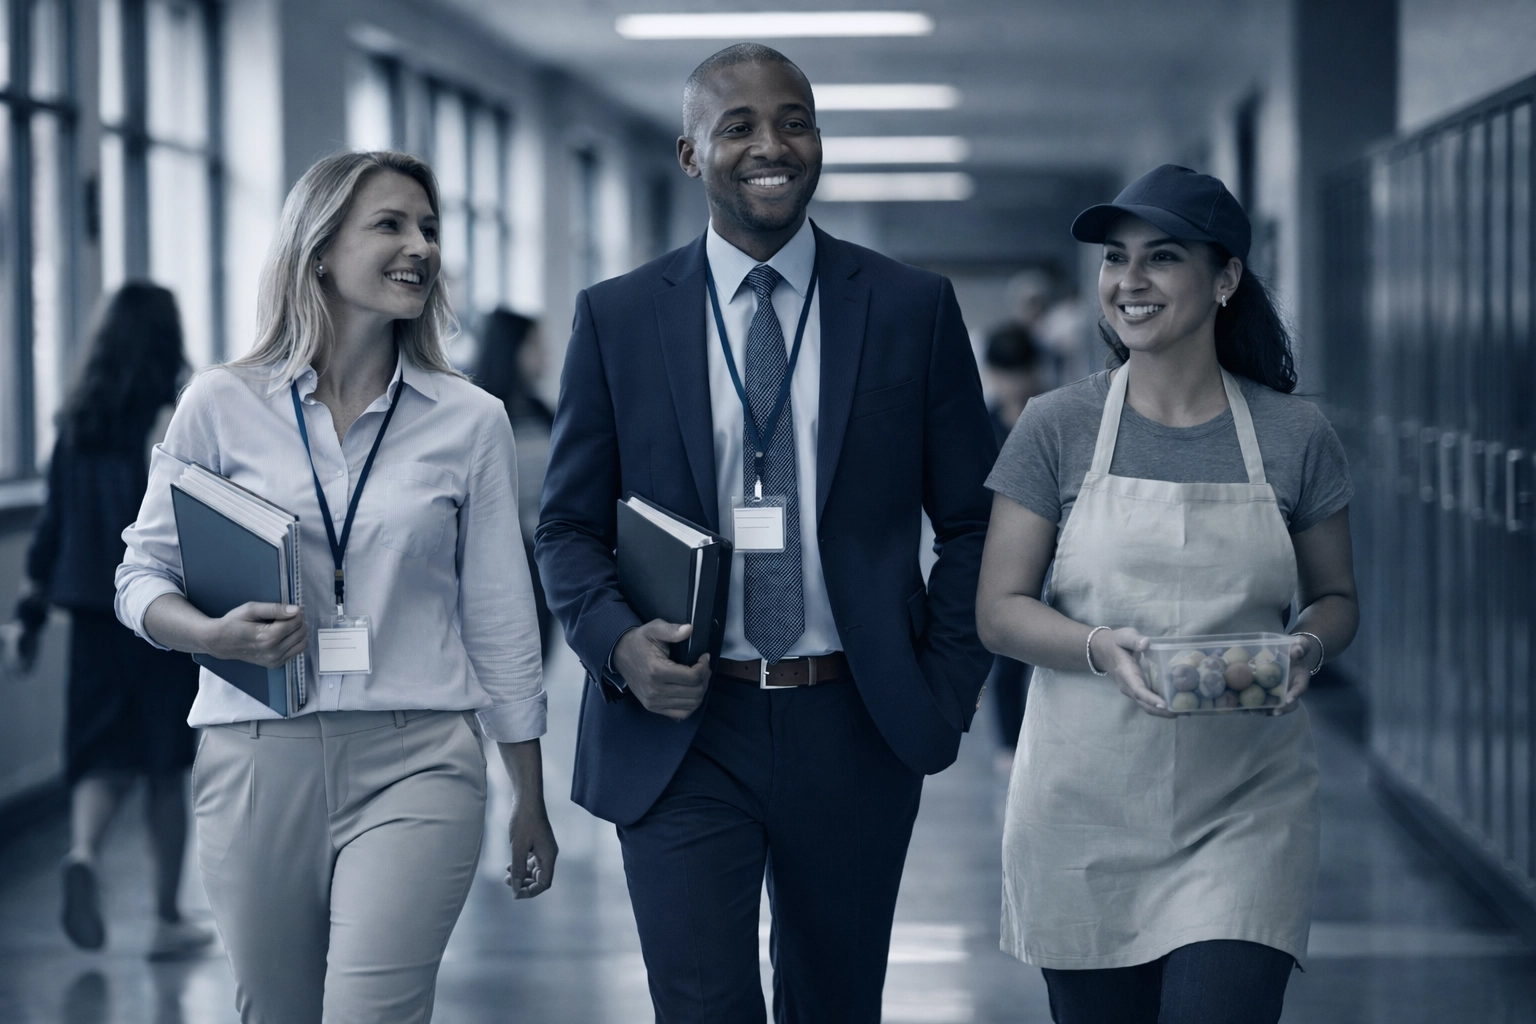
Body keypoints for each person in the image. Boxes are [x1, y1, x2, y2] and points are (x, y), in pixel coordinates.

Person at [536, 43, 996, 1023]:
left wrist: (944, 685)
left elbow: (974, 522)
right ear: (690, 154)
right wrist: (618, 646)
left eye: (794, 122)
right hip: (682, 723)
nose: (771, 145)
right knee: (702, 1006)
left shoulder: (910, 308)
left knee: (836, 1004)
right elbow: (568, 527)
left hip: (855, 717)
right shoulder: (618, 318)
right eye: (738, 126)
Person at [114, 150, 556, 1024]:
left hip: (419, 757)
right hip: (256, 758)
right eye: (390, 224)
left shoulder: (471, 420)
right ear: (318, 250)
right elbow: (141, 575)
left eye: (429, 228)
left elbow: (500, 615)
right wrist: (211, 636)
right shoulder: (220, 404)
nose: (420, 246)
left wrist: (529, 794)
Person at [976, 164, 1358, 1023]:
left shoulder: (1295, 434)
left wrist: (1306, 646)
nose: (1129, 280)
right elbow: (999, 611)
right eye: (1116, 258)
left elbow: (1336, 597)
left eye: (1162, 257)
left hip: (1248, 806)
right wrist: (1096, 647)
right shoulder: (1055, 426)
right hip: (1084, 807)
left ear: (1226, 278)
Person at [7, 283, 212, 959]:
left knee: (101, 751)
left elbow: (51, 530)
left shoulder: (77, 424)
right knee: (164, 764)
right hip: (157, 616)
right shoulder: (169, 421)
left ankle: (84, 853)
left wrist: (29, 613)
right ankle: (166, 919)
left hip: (91, 617)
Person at [474, 308, 556, 659]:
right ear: (511, 349)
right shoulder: (480, 416)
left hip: (543, 557)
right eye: (535, 345)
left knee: (538, 656)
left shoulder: (544, 414)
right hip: (499, 564)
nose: (544, 355)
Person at [980, 322, 1045, 758]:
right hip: (1000, 552)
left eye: (1020, 372)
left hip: (1052, 552)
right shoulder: (980, 424)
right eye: (1006, 374)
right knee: (1007, 658)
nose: (1014, 384)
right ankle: (1010, 749)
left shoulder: (1052, 416)